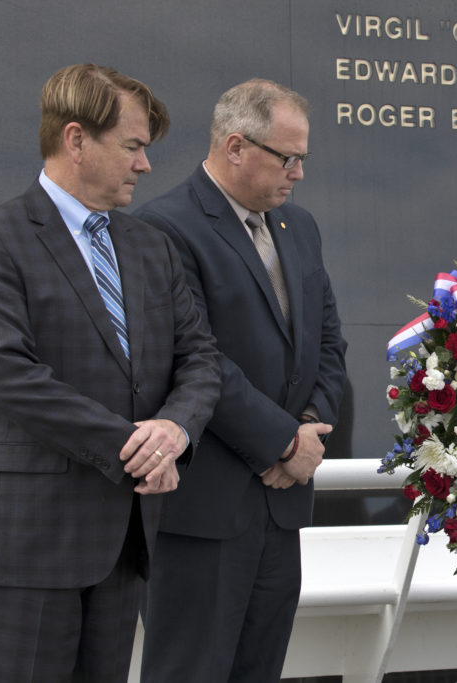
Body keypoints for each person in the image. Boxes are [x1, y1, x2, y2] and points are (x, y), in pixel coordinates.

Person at [0, 63, 221, 682]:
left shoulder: (152, 247)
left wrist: (175, 430)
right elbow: (7, 374)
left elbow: (200, 357)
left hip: (121, 547)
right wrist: (137, 448)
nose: (144, 165)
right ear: (76, 140)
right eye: (132, 146)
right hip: (22, 544)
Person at [134, 78, 347, 682]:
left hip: (280, 509)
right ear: (235, 146)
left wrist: (306, 433)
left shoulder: (298, 228)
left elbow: (328, 342)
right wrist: (281, 442)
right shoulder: (165, 229)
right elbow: (194, 359)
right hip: (202, 512)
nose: (298, 173)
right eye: (288, 157)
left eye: (303, 157)